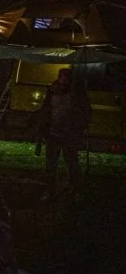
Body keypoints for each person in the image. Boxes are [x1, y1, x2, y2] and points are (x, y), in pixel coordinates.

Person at [36, 68, 91, 199]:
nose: (64, 80)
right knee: (50, 165)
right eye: (62, 77)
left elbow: (85, 111)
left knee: (72, 164)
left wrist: (80, 127)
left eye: (66, 78)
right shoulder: (52, 91)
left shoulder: (76, 93)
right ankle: (49, 190)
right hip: (53, 133)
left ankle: (76, 190)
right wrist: (42, 129)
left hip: (70, 134)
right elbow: (46, 110)